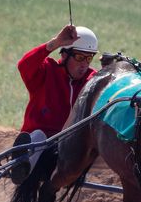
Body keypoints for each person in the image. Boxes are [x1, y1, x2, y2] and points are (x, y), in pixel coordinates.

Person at [10, 24, 99, 183]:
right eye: (80, 57)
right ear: (64, 55)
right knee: (38, 136)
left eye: (89, 58)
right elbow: (24, 65)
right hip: (41, 144)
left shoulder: (92, 80)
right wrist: (55, 43)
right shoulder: (47, 70)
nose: (84, 64)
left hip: (69, 147)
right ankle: (22, 166)